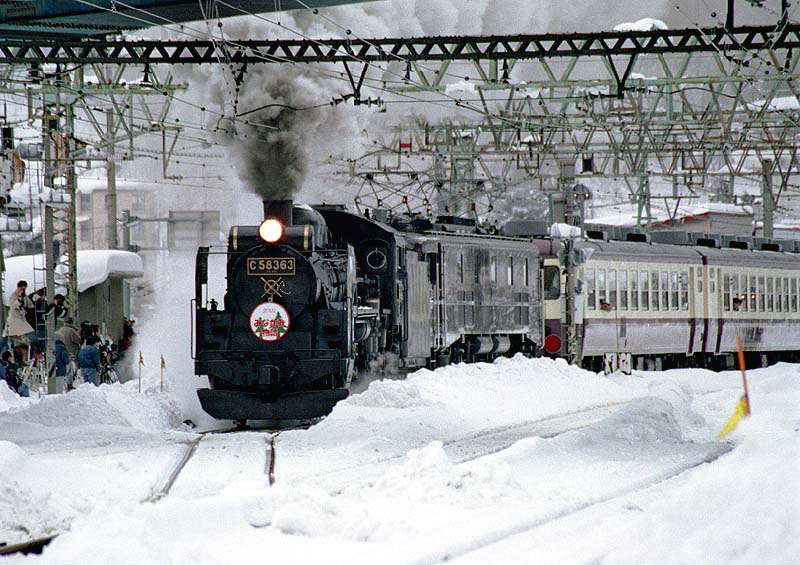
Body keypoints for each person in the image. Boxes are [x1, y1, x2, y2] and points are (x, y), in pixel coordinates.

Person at [3, 280, 35, 349]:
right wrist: (19, 299)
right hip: (13, 319)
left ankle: (37, 350)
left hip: (21, 319)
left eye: (24, 289)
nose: (23, 291)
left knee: (31, 333)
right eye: (21, 289)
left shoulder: (24, 296)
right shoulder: (13, 296)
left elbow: (30, 305)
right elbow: (13, 306)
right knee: (6, 338)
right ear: (18, 288)